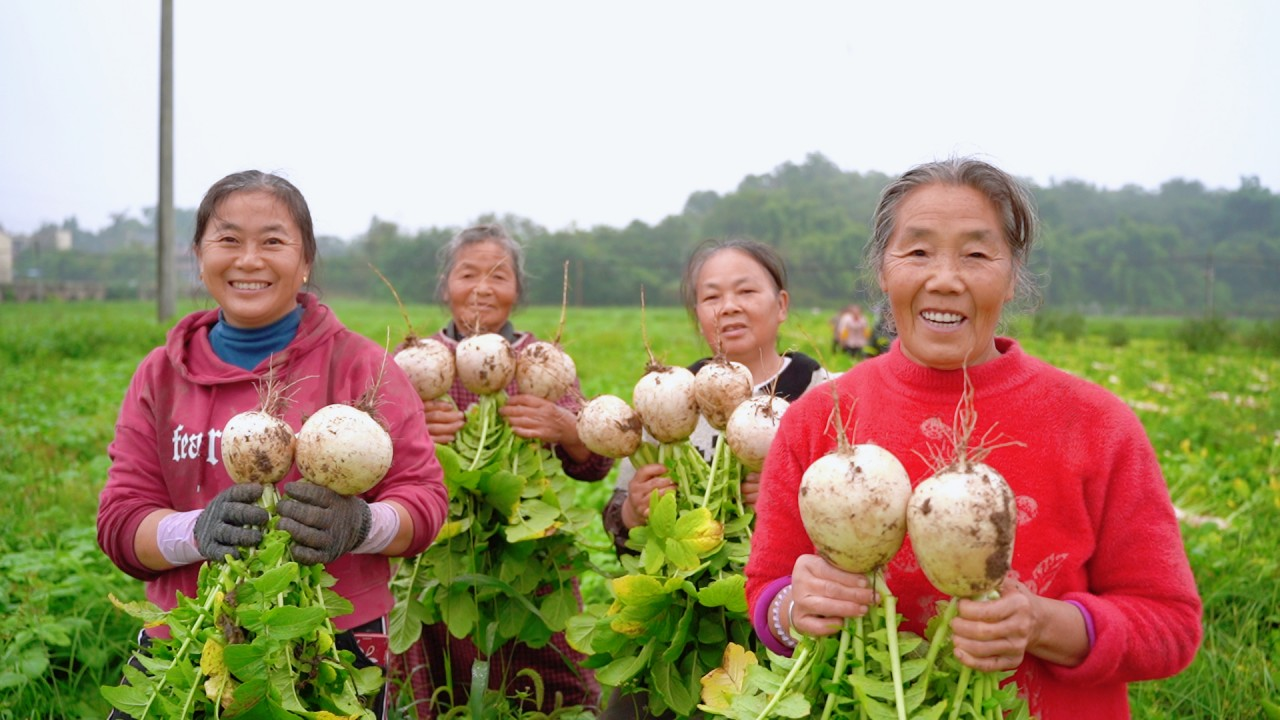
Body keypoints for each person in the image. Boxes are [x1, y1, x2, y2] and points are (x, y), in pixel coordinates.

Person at [744, 158, 1202, 719]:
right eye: (917, 252)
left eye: (977, 255)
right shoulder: (819, 419)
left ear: (1012, 277)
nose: (944, 278)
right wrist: (794, 609)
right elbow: (766, 590)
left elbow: (1171, 625)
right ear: (883, 272)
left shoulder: (1097, 424)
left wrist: (1044, 624)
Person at [97, 170, 449, 718]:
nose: (250, 260)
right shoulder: (159, 376)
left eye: (273, 242)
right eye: (229, 239)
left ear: (305, 260)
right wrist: (195, 531)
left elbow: (425, 504)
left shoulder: (361, 365)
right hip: (190, 640)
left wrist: (359, 527)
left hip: (334, 644)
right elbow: (120, 523)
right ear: (199, 254)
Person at [599, 237, 832, 719]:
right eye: (711, 297)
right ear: (698, 313)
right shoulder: (669, 395)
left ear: (781, 304)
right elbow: (618, 523)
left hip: (789, 613)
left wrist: (784, 500)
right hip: (683, 617)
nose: (729, 308)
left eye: (746, 291)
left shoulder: (822, 393)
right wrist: (634, 507)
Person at [400, 222, 614, 717]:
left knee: (548, 681)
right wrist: (412, 433)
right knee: (443, 684)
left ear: (517, 290)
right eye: (467, 274)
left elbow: (594, 465)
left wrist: (566, 428)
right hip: (441, 555)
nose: (481, 288)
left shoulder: (542, 360)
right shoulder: (415, 362)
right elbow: (373, 471)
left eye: (498, 276)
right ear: (446, 286)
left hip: (531, 549)